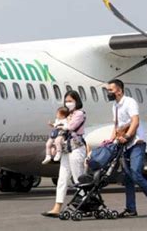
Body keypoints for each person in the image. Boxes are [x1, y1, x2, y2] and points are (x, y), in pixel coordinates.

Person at [106, 79, 147, 217]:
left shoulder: (130, 102)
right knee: (127, 178)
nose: (108, 93)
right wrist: (110, 140)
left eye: (110, 90)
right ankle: (131, 208)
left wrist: (127, 136)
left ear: (119, 90)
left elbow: (135, 122)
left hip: (136, 143)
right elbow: (116, 126)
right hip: (125, 145)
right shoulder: (114, 106)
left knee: (135, 173)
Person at [41, 90, 87, 218]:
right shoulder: (66, 115)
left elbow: (71, 127)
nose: (68, 103)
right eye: (66, 101)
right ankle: (57, 207)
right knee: (62, 178)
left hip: (76, 148)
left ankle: (83, 204)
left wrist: (61, 125)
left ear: (77, 101)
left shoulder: (79, 114)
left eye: (71, 101)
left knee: (78, 178)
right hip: (66, 149)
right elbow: (61, 125)